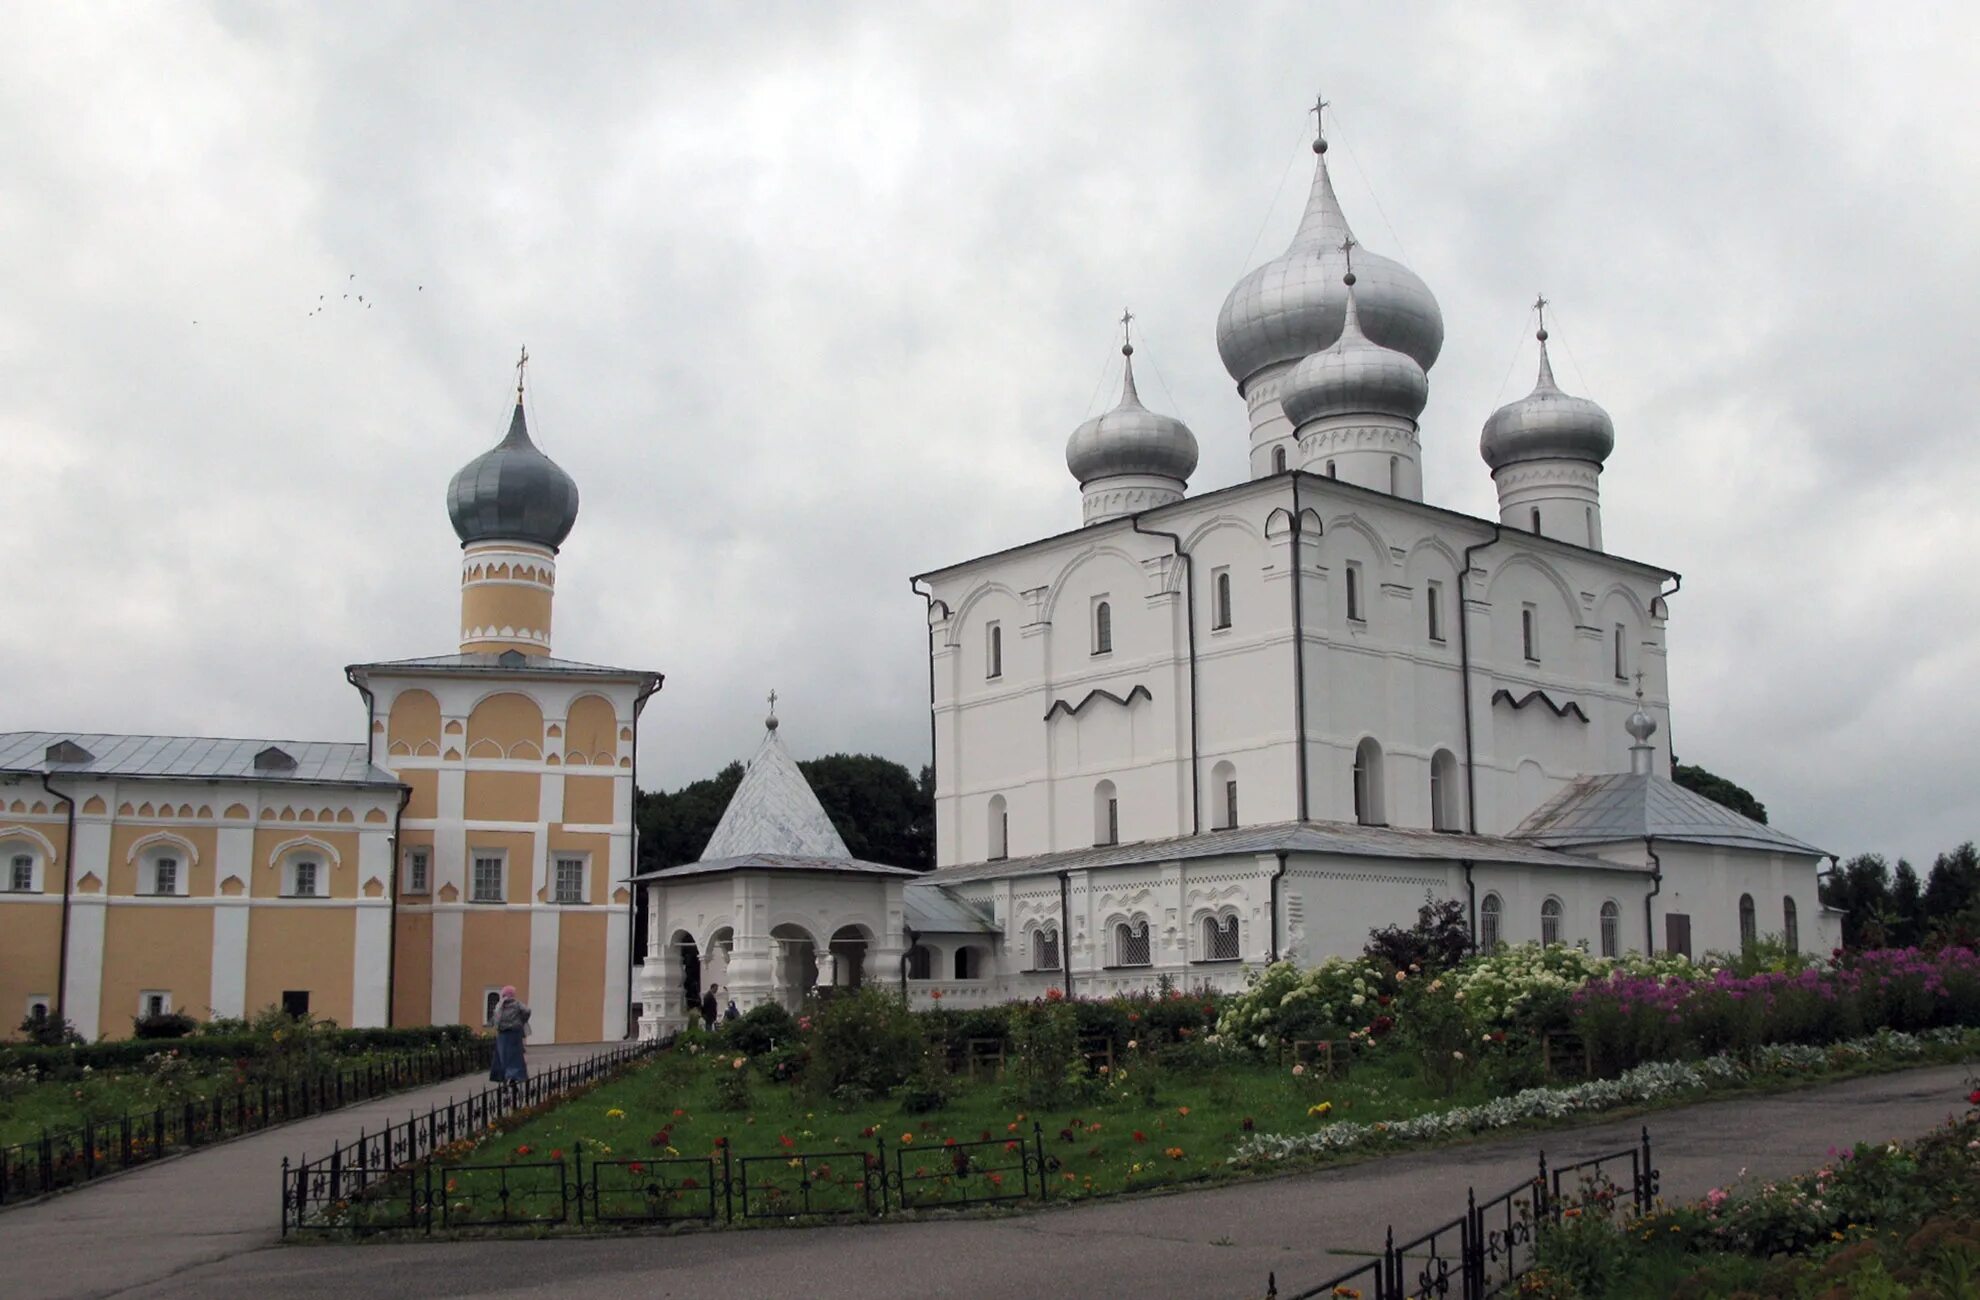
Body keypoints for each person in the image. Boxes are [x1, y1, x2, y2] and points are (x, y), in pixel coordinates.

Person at [489, 985, 530, 1086]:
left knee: (502, 1056)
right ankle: (515, 1076)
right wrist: (521, 1020)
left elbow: (495, 1017)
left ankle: (503, 1078)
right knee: (515, 1056)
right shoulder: (517, 1004)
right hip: (515, 1033)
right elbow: (527, 1011)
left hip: (503, 1034)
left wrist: (499, 1025)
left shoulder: (500, 1005)